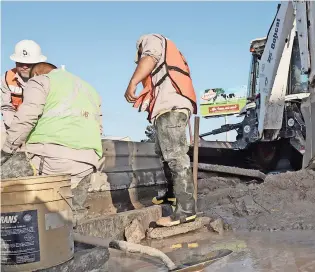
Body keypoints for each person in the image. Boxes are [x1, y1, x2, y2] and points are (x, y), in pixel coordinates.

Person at [1, 62, 103, 222]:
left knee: (6, 175)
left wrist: (6, 151)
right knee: (72, 213)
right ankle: (72, 239)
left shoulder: (41, 81)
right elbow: (99, 128)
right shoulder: (90, 90)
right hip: (88, 164)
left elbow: (26, 118)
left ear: (36, 74)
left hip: (50, 160)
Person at [125, 33, 197, 227]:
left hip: (171, 106)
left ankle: (186, 210)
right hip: (168, 107)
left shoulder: (151, 39)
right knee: (164, 153)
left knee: (175, 156)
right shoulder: (168, 52)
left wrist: (133, 82)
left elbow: (150, 57)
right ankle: (172, 196)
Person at [1, 40, 47, 148]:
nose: (24, 66)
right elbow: (7, 108)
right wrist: (17, 131)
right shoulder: (6, 78)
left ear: (38, 63)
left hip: (41, 125)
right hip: (14, 124)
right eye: (20, 63)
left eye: (29, 64)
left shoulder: (47, 79)